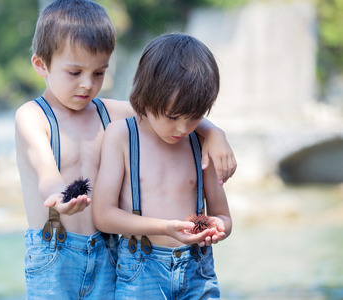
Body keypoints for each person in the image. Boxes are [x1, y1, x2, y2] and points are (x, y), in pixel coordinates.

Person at [15, 0, 236, 298]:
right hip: (55, 253)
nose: (87, 85)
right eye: (74, 72)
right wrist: (58, 196)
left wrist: (213, 131)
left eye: (98, 73)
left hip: (109, 254)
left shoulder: (109, 112)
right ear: (41, 65)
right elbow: (45, 170)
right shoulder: (33, 115)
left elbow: (166, 110)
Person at [92, 33, 233, 299]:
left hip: (197, 272)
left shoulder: (202, 143)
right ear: (145, 99)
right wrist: (165, 228)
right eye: (172, 117)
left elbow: (224, 215)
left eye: (194, 117)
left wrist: (219, 226)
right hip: (139, 272)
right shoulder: (121, 136)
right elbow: (103, 216)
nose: (182, 128)